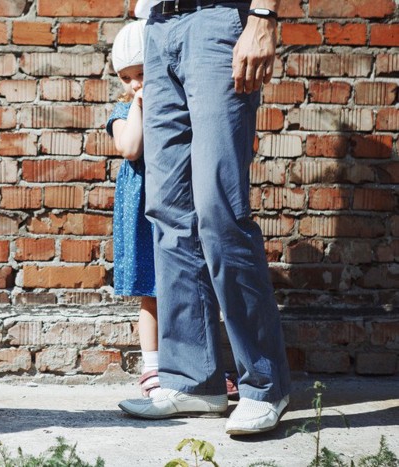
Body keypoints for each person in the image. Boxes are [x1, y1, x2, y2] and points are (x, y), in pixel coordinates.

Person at [118, 0, 291, 435]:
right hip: (158, 26)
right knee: (169, 212)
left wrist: (263, 16)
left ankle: (265, 384)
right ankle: (193, 381)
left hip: (216, 18)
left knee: (220, 209)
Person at [106, 20, 160, 397]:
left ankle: (196, 365)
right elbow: (130, 148)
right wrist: (139, 103)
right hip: (141, 204)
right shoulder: (122, 112)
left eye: (141, 73)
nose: (135, 82)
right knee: (151, 288)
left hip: (175, 198)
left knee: (189, 284)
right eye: (127, 77)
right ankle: (153, 367)